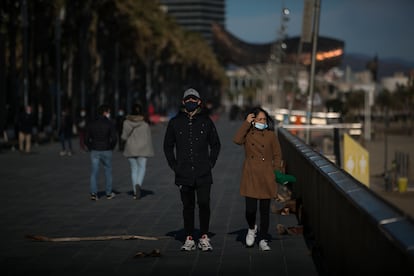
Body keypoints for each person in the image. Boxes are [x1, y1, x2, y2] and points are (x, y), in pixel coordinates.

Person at [163, 88, 221, 252]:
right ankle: (189, 237)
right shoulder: (175, 122)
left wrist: (211, 162)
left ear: (199, 102)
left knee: (204, 204)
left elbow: (215, 144)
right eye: (188, 99)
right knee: (187, 206)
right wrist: (174, 165)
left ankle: (203, 236)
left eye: (193, 99)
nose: (190, 102)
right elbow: (167, 146)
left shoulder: (206, 121)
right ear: (183, 102)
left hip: (203, 172)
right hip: (183, 173)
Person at [233, 106, 283, 251]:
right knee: (250, 210)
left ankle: (262, 238)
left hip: (267, 175)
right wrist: (246, 123)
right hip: (251, 174)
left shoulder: (271, 135)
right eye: (259, 119)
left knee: (265, 210)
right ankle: (251, 228)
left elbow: (277, 155)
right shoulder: (248, 134)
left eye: (264, 119)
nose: (263, 121)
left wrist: (276, 172)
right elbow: (236, 140)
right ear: (253, 120)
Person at [121, 103, 154, 200]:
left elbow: (123, 136)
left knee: (133, 170)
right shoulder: (145, 124)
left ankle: (135, 192)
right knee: (142, 168)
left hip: (131, 149)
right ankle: (138, 184)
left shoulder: (126, 123)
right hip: (143, 149)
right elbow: (148, 139)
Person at [85, 104, 118, 200]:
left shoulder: (91, 123)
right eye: (108, 112)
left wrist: (90, 147)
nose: (109, 114)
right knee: (108, 171)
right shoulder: (109, 123)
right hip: (106, 149)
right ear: (105, 112)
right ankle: (108, 193)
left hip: (95, 149)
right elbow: (114, 138)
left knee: (94, 172)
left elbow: (86, 138)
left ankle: (94, 193)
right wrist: (111, 147)